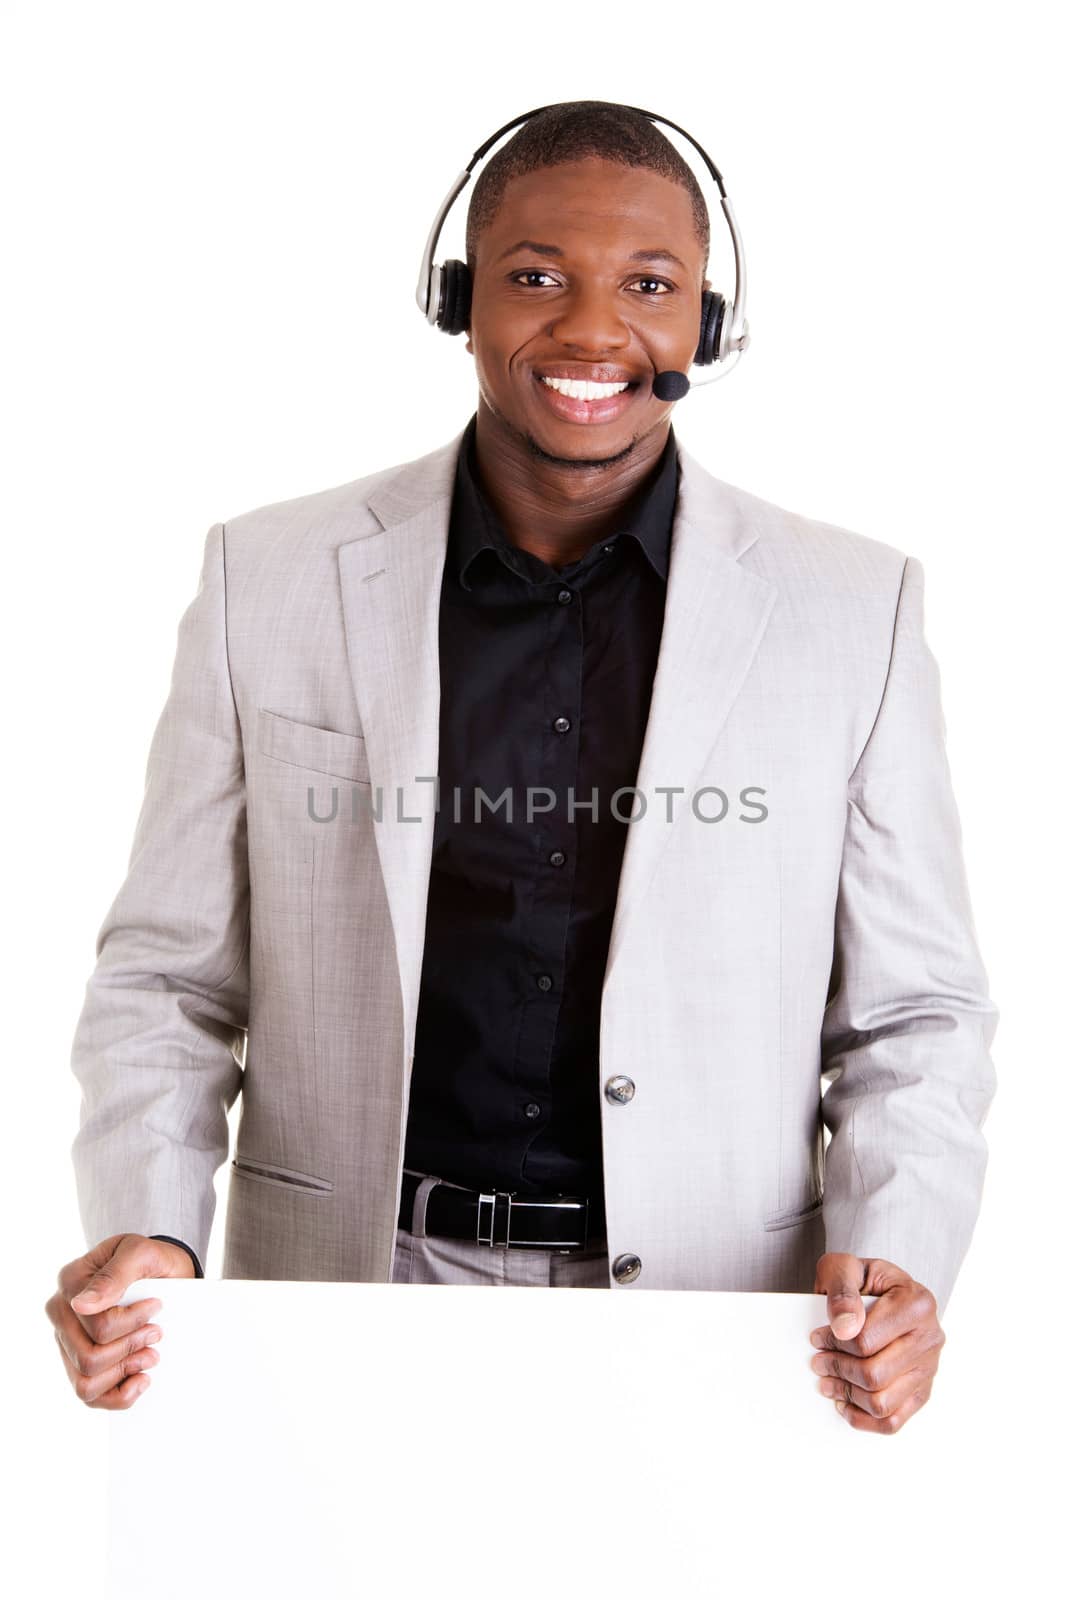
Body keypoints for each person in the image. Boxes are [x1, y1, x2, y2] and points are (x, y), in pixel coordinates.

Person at [45, 100, 997, 1435]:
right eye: (537, 276)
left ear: (707, 326)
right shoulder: (265, 578)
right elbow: (166, 975)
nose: (594, 332)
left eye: (650, 286)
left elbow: (916, 1013)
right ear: (461, 299)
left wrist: (900, 1250)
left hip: (728, 1327)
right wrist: (150, 1229)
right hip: (349, 1300)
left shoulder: (854, 608)